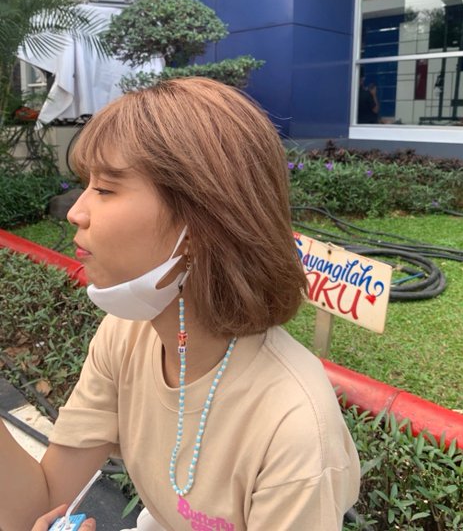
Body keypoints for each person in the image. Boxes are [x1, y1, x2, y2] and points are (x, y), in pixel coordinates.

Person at [2, 77, 360, 531]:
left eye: (106, 189)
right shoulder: (125, 335)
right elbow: (44, 503)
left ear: (200, 224)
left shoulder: (294, 426)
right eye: (85, 185)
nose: (76, 211)